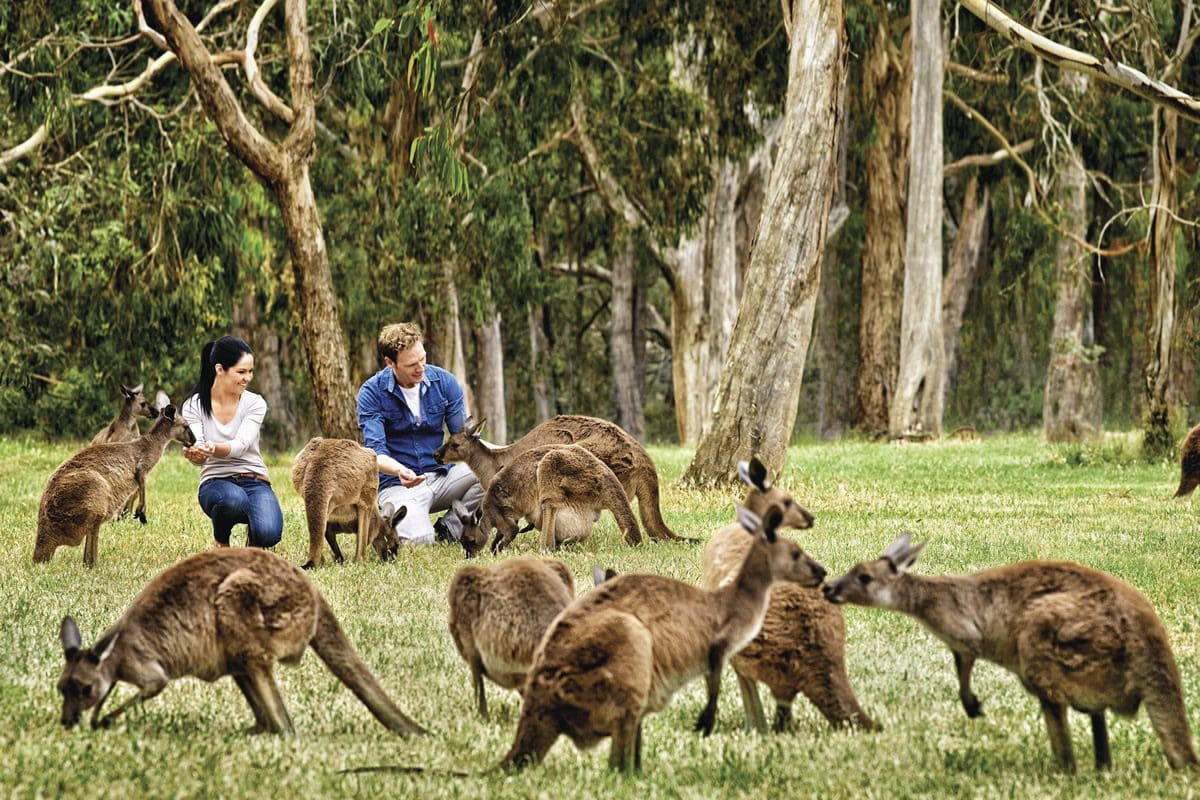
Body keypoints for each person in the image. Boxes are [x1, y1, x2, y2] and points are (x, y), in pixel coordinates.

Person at [357, 322, 484, 545]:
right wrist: (399, 470)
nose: (421, 368)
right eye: (411, 364)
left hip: (441, 476)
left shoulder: (444, 382)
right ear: (390, 363)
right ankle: (413, 526)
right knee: (420, 540)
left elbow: (465, 440)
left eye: (423, 359)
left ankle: (450, 529)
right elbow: (375, 454)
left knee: (495, 471)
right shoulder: (371, 393)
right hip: (398, 485)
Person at [180, 335, 284, 549]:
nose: (248, 378)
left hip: (255, 480)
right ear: (220, 369)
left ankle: (254, 537)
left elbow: (241, 445)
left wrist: (213, 448)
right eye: (241, 372)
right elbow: (198, 448)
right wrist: (196, 455)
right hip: (215, 481)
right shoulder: (194, 405)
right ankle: (221, 543)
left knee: (269, 534)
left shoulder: (255, 403)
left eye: (250, 371)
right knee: (232, 501)